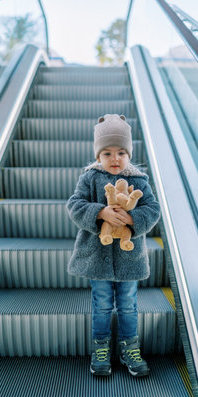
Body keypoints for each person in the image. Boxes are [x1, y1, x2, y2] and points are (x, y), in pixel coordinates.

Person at [66, 114, 160, 377]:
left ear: (129, 154)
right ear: (98, 156)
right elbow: (74, 205)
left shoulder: (140, 181)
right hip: (98, 256)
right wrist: (100, 213)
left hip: (130, 258)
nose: (115, 158)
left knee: (129, 303)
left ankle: (130, 347)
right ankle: (101, 347)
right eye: (107, 153)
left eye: (121, 152)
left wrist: (132, 218)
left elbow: (153, 209)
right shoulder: (89, 178)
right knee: (102, 304)